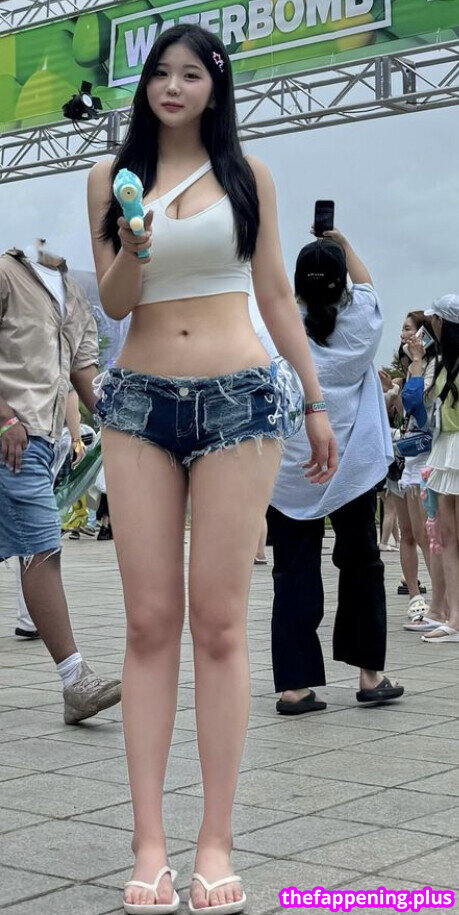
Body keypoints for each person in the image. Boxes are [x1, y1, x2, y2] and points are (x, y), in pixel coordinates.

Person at [87, 24, 336, 915]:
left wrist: (314, 400)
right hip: (137, 404)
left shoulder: (248, 176)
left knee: (221, 623)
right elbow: (116, 300)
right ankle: (149, 842)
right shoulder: (110, 178)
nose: (172, 86)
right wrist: (134, 243)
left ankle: (214, 840)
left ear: (214, 87)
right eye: (160, 72)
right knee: (149, 623)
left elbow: (273, 292)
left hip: (240, 398)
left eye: (190, 74)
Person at [256, 229, 404, 713]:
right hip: (352, 466)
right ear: (342, 284)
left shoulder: (275, 328)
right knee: (361, 564)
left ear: (296, 285)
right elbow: (368, 286)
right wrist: (343, 244)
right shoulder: (362, 323)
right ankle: (369, 676)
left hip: (291, 467)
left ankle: (294, 686)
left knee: (292, 569)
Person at [0, 240, 122, 723]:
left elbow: (83, 372)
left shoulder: (75, 296)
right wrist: (5, 417)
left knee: (36, 545)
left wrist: (122, 424)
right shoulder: (6, 274)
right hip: (14, 437)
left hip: (44, 441)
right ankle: (75, 680)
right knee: (43, 546)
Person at [413, 295, 459, 643]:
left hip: (453, 448)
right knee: (446, 536)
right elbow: (420, 408)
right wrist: (417, 363)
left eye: (435, 322)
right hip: (444, 449)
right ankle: (453, 616)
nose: (432, 327)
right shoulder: (441, 364)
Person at [388, 312, 435, 620]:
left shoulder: (431, 366)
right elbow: (404, 411)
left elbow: (417, 404)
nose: (403, 334)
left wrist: (417, 361)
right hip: (404, 458)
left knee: (425, 534)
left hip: (424, 459)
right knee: (407, 531)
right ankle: (415, 594)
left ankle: (442, 598)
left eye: (408, 329)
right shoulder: (410, 369)